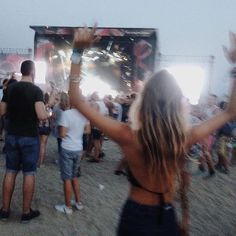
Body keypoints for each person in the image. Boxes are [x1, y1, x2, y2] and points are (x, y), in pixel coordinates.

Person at [68, 28, 236, 235]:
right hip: (166, 214)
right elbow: (231, 112)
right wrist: (235, 67)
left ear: (144, 100)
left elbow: (76, 101)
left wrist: (77, 52)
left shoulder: (127, 135)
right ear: (177, 102)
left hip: (135, 215)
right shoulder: (183, 138)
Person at [0, 60, 49, 223]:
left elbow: (1, 111)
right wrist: (49, 113)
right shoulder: (36, 91)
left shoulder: (10, 88)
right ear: (33, 72)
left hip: (12, 135)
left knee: (10, 171)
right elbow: (42, 115)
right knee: (29, 173)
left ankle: (5, 211)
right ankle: (26, 212)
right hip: (29, 136)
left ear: (21, 71)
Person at [55, 104, 87, 214]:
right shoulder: (84, 114)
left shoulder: (67, 114)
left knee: (67, 178)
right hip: (79, 148)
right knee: (75, 176)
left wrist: (64, 130)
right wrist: (77, 132)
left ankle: (67, 206)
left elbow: (62, 134)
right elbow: (87, 130)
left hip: (67, 148)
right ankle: (78, 203)